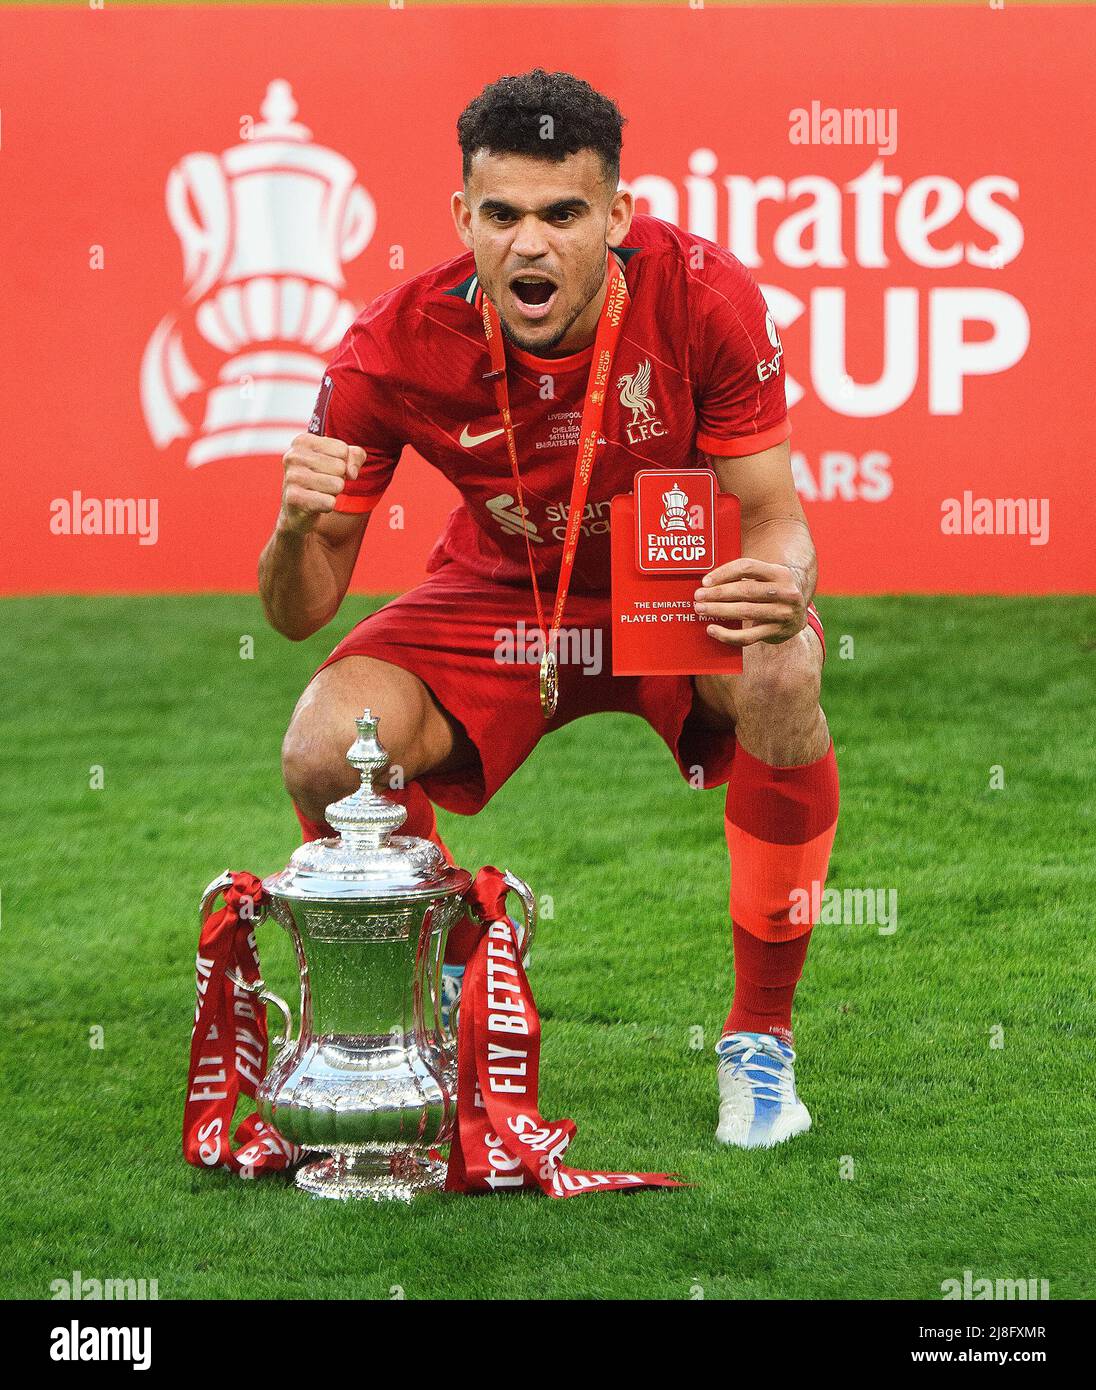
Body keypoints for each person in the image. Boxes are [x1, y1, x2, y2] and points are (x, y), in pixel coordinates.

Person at [258, 69, 839, 1149]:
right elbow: (300, 611)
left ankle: (760, 1039)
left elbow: (772, 514)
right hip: (498, 588)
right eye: (504, 215)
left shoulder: (704, 296)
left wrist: (786, 575)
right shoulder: (389, 344)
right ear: (462, 220)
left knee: (780, 669)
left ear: (617, 216)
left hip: (670, 579)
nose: (532, 245)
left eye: (564, 214)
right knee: (327, 746)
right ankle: (431, 1005)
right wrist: (293, 529)